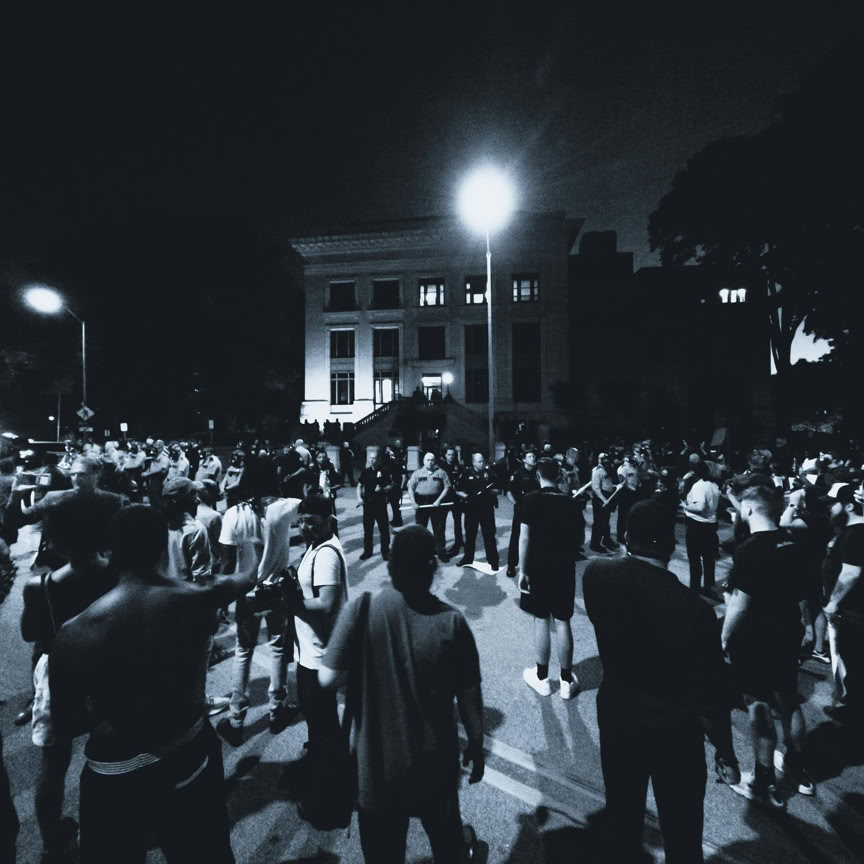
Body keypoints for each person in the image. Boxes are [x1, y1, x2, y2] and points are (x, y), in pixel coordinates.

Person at [48, 505, 255, 863]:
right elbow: (247, 576)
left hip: (113, 773)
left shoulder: (73, 633)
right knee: (205, 854)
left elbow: (66, 723)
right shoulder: (195, 596)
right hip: (187, 754)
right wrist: (250, 537)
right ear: (163, 549)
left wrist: (114, 704)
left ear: (112, 554)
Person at [584, 500, 739, 863]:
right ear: (672, 546)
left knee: (622, 817)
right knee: (682, 830)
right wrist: (725, 751)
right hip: (675, 732)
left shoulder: (597, 578)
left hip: (619, 717)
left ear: (625, 538)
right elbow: (711, 694)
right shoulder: (694, 610)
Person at [320, 525, 483, 863]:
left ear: (390, 568)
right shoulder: (452, 624)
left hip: (377, 769)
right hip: (434, 764)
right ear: (433, 568)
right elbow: (469, 698)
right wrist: (477, 745)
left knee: (383, 854)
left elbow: (327, 678)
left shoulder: (361, 610)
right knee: (447, 844)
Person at [21, 501, 118, 863]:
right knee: (112, 749)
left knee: (54, 761)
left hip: (59, 671)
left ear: (58, 542)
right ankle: (114, 826)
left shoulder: (40, 586)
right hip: (108, 670)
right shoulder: (116, 573)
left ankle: (51, 840)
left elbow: (30, 633)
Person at [722, 484, 814, 806]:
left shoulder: (749, 548)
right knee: (789, 699)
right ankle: (799, 771)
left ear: (748, 510)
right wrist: (806, 626)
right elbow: (804, 592)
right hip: (788, 631)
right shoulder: (794, 543)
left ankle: (762, 783)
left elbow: (740, 604)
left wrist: (723, 637)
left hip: (755, 638)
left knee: (758, 705)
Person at [216, 457, 301, 745]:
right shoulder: (283, 508)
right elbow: (315, 501)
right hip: (276, 591)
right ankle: (277, 709)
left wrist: (220, 601)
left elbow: (226, 564)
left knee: (243, 652)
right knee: (277, 649)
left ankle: (237, 718)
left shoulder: (232, 514)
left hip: (246, 594)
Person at [286, 494, 349, 824]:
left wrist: (290, 602)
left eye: (313, 520)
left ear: (329, 520)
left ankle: (328, 806)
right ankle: (331, 785)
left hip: (320, 656)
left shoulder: (326, 554)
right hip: (311, 652)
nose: (306, 526)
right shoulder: (315, 547)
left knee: (324, 731)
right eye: (302, 520)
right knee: (323, 728)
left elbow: (324, 603)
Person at [518, 459, 583, 700]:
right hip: (564, 566)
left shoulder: (531, 499)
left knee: (542, 619)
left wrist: (522, 570)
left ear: (538, 474)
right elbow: (579, 540)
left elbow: (524, 538)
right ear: (559, 476)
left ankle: (542, 677)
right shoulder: (571, 502)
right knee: (564, 621)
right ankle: (566, 680)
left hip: (539, 566)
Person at [822, 482, 864, 726]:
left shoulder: (854, 534)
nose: (830, 509)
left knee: (855, 664)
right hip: (854, 611)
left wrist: (834, 603)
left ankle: (854, 715)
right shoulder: (852, 532)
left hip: (853, 611)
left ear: (849, 505)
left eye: (833, 504)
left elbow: (850, 573)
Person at [456, 451, 500, 571]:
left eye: (483, 461)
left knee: (489, 535)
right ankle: (468, 558)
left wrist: (490, 492)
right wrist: (467, 497)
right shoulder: (466, 473)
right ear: (473, 462)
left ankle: (493, 561)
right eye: (479, 461)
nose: (482, 463)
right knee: (470, 535)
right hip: (471, 508)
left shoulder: (489, 473)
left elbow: (498, 489)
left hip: (487, 509)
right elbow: (458, 490)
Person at [683, 460, 721, 594]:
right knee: (709, 558)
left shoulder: (699, 486)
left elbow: (699, 507)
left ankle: (695, 588)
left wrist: (686, 507)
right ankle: (709, 586)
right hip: (711, 524)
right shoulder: (714, 485)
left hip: (697, 525)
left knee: (694, 558)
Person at [407, 452, 451, 562]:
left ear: (435, 461)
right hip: (421, 502)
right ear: (423, 461)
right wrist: (413, 502)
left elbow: (447, 487)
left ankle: (441, 552)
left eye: (432, 460)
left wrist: (438, 500)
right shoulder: (417, 473)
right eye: (428, 460)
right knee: (420, 530)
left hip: (436, 502)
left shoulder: (441, 472)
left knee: (439, 529)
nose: (430, 462)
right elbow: (410, 488)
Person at [506, 449, 539, 578]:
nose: (533, 458)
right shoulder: (518, 473)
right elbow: (509, 491)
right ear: (524, 459)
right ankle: (511, 566)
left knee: (534, 537)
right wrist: (515, 504)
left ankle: (531, 565)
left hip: (535, 510)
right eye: (530, 456)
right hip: (521, 510)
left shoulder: (538, 473)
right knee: (516, 537)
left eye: (534, 456)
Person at [357, 450, 392, 561]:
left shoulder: (384, 471)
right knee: (368, 530)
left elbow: (390, 486)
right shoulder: (366, 472)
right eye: (370, 458)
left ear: (379, 459)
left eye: (374, 458)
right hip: (368, 505)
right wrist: (359, 498)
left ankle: (385, 551)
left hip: (380, 504)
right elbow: (359, 486)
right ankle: (368, 551)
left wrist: (382, 489)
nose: (372, 460)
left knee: (384, 529)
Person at [590, 452, 618, 553]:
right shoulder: (597, 471)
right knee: (598, 522)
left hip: (608, 496)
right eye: (604, 459)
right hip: (600, 499)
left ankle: (607, 540)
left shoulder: (608, 469)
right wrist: (604, 500)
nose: (606, 461)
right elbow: (596, 488)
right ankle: (595, 544)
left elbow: (609, 483)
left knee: (606, 521)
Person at [441, 447, 465, 557]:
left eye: (453, 455)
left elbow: (462, 480)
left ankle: (459, 541)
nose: (451, 456)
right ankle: (441, 545)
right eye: (449, 454)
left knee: (458, 521)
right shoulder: (441, 467)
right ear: (445, 455)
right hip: (445, 497)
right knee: (442, 522)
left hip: (456, 497)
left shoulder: (458, 467)